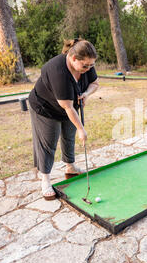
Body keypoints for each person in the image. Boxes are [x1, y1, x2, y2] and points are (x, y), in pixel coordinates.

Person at [28, 38, 99, 200]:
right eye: (85, 66)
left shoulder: (86, 66)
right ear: (74, 58)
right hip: (46, 108)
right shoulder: (57, 71)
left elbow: (95, 83)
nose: (88, 69)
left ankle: (70, 167)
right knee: (49, 142)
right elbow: (67, 107)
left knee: (69, 134)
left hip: (70, 105)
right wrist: (82, 129)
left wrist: (86, 93)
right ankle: (45, 180)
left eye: (91, 65)